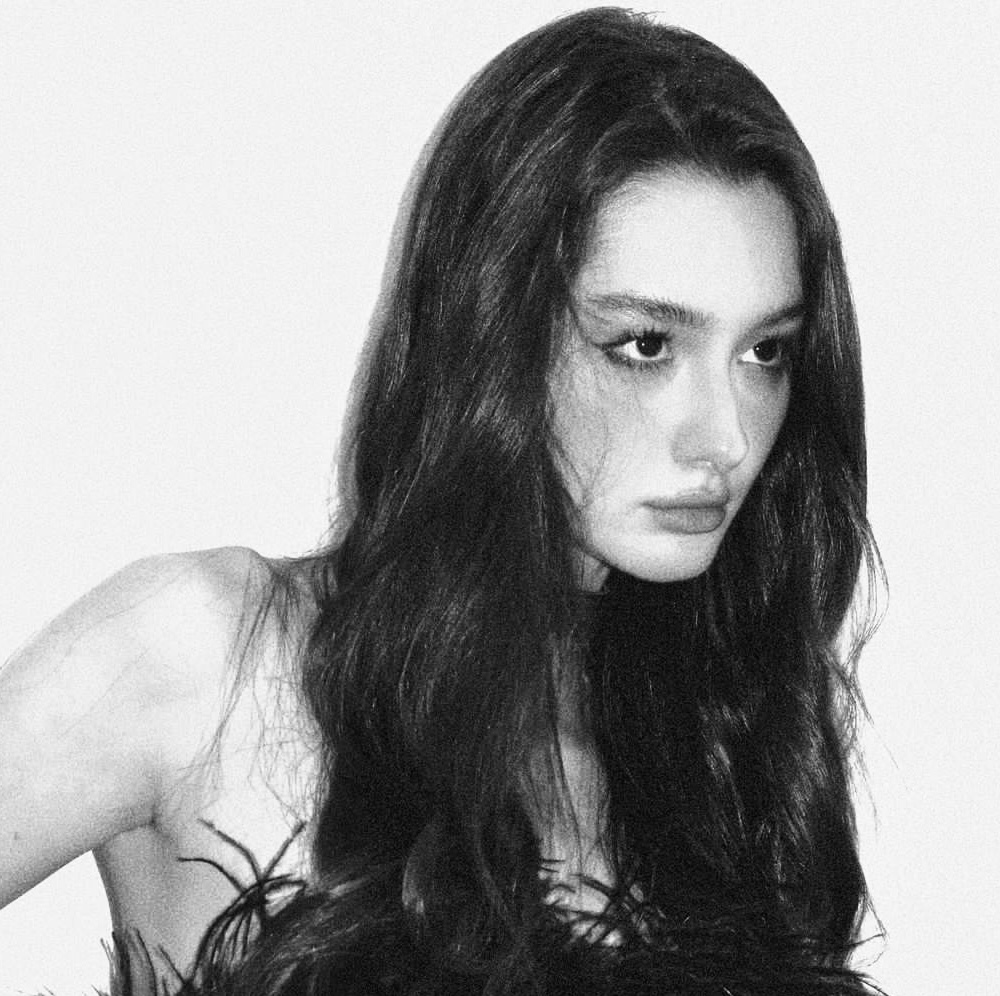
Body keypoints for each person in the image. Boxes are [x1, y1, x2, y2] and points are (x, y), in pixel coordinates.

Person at [0, 8, 885, 994]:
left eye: (764, 351)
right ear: (490, 336)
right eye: (645, 345)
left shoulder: (724, 751)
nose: (725, 437)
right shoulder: (207, 661)